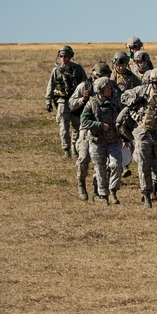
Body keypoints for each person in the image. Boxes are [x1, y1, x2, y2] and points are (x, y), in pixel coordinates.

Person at [121, 67, 157, 208]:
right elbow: (124, 96)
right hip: (142, 132)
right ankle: (147, 196)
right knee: (143, 165)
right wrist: (133, 101)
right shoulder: (142, 91)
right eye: (155, 83)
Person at [69, 61, 117, 200]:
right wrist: (83, 99)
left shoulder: (110, 88)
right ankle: (81, 183)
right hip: (86, 128)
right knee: (83, 157)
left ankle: (97, 190)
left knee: (101, 161)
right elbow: (71, 104)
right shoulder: (85, 86)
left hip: (105, 130)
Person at [80, 77, 124, 205]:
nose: (110, 89)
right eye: (107, 88)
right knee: (100, 169)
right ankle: (104, 196)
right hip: (97, 142)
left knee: (116, 165)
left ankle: (113, 191)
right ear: (100, 90)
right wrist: (99, 125)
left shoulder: (114, 103)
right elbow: (84, 121)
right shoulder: (91, 104)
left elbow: (122, 120)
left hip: (113, 141)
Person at [45, 45, 88, 158]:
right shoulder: (56, 71)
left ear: (70, 57)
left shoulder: (78, 69)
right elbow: (51, 86)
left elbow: (86, 84)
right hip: (62, 101)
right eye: (61, 56)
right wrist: (48, 102)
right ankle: (66, 150)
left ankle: (75, 147)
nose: (63, 59)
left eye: (66, 56)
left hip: (76, 102)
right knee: (64, 128)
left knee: (77, 127)